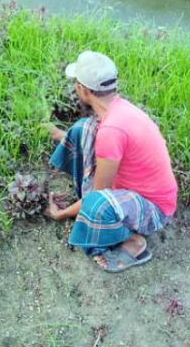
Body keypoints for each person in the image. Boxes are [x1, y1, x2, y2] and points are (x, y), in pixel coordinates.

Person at [46, 50, 178, 273]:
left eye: (76, 84)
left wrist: (62, 213)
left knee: (96, 205)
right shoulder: (120, 109)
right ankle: (104, 213)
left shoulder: (111, 130)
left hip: (155, 209)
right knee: (83, 129)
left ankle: (134, 243)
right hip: (137, 189)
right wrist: (61, 135)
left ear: (84, 90)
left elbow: (98, 195)